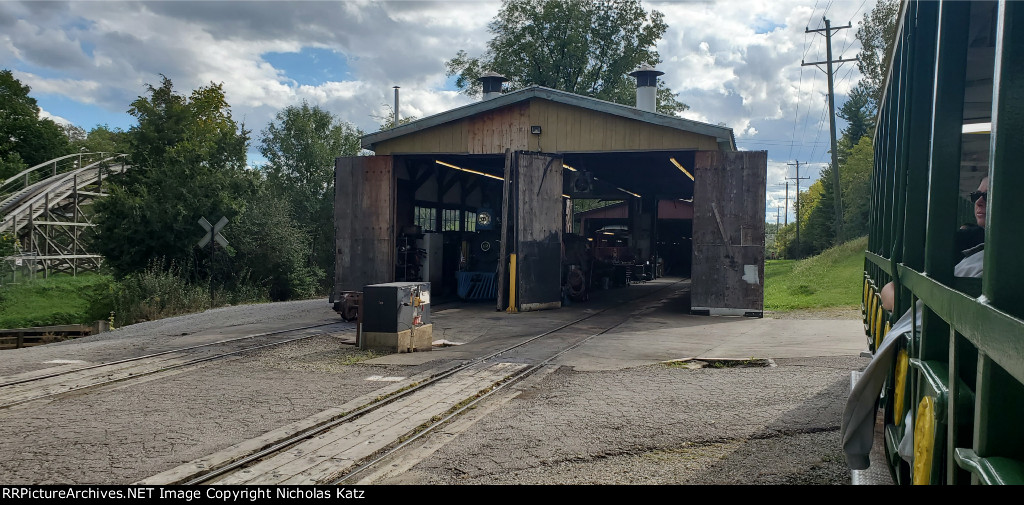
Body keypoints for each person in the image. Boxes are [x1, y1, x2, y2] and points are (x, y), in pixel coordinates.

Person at [841, 176, 988, 470]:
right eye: (976, 195)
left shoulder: (981, 260)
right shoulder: (973, 246)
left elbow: (895, 297)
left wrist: (898, 291)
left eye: (991, 194)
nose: (980, 202)